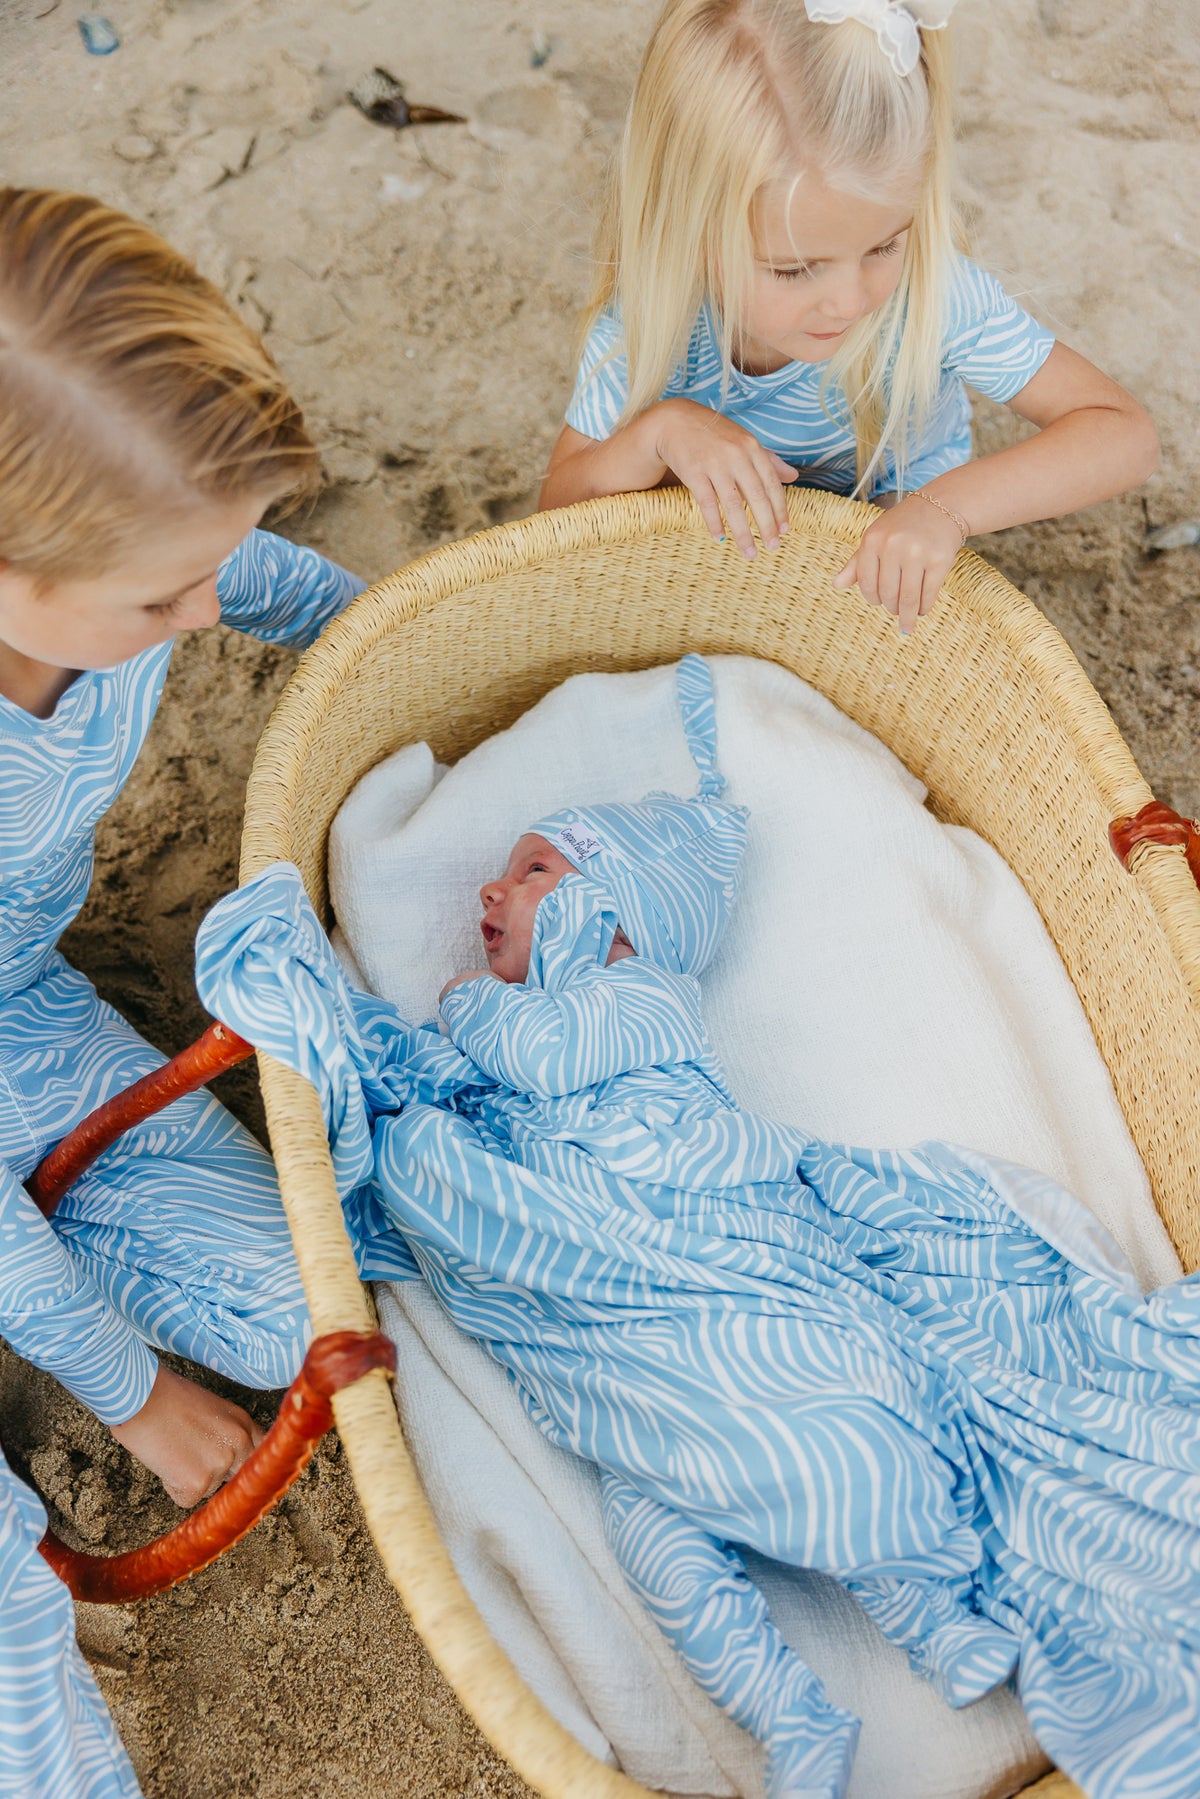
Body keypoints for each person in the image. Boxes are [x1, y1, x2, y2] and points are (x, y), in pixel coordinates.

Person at [199, 655, 1200, 1799]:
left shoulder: (640, 1003)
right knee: (658, 1539)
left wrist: (458, 1019)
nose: (488, 893)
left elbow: (541, 1054)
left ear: (609, 912)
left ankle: (926, 1597)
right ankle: (793, 1712)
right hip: (632, 1375)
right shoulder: (539, 1038)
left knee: (827, 1456)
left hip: (734, 1306)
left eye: (530, 871)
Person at [0, 187, 367, 1797]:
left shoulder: (135, 568)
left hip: (12, 1014)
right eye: (161, 601)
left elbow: (278, 590)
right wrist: (129, 1390)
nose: (202, 615)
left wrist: (417, 663)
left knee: (330, 1311)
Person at [539, 0, 1159, 634]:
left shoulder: (931, 295)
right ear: (688, 231)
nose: (849, 302)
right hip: (729, 541)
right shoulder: (646, 328)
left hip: (889, 526)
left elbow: (1123, 434)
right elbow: (553, 514)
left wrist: (944, 509)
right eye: (794, 269)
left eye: (884, 245)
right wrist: (657, 432)